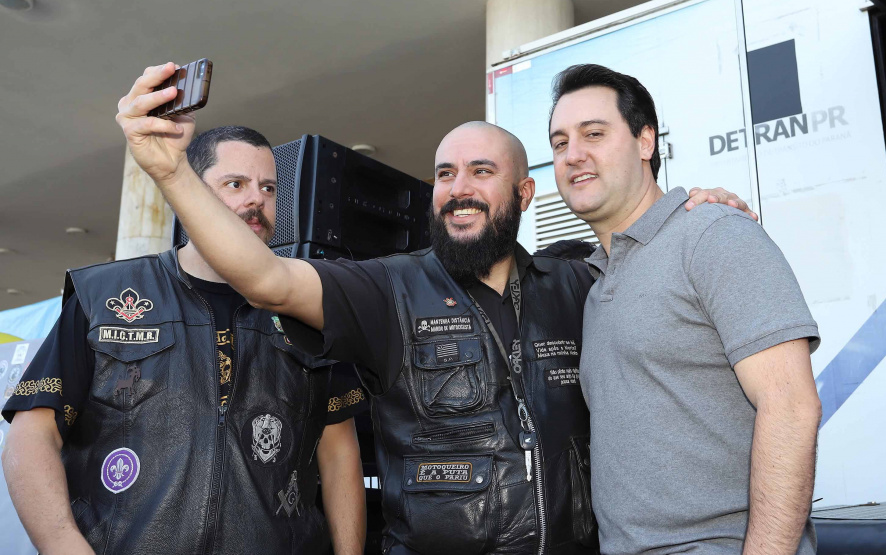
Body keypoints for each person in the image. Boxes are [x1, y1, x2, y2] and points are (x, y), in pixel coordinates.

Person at [113, 62, 751, 555]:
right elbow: (265, 279)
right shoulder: (386, 290)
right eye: (445, 174)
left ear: (524, 192)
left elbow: (643, 243)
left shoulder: (578, 281)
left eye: (481, 172)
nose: (458, 189)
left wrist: (689, 210)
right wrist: (171, 173)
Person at [1, 125, 367, 555]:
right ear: (191, 192)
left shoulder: (308, 309)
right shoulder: (104, 296)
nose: (256, 200)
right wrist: (63, 545)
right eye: (236, 184)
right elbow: (33, 432)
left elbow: (339, 452)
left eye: (268, 188)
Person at [548, 63, 822, 555]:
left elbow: (791, 407)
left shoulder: (713, 234)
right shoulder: (594, 286)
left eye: (594, 134)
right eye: (560, 142)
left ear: (645, 142)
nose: (574, 155)